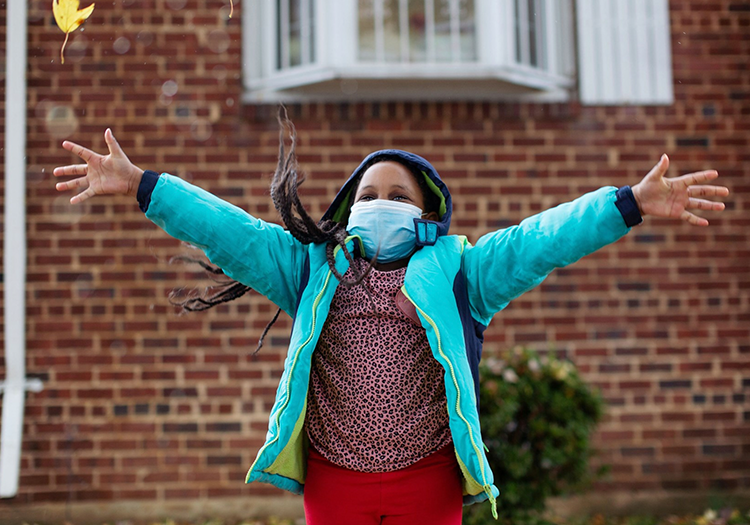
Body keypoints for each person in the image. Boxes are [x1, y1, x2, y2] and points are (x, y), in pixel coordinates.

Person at [53, 117, 728, 525]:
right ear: (347, 212)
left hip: (427, 480)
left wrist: (626, 205)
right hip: (335, 479)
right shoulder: (312, 268)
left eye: (397, 195)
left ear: (427, 213)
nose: (380, 203)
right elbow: (232, 233)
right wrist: (144, 185)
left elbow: (540, 240)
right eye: (368, 194)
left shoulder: (464, 273)